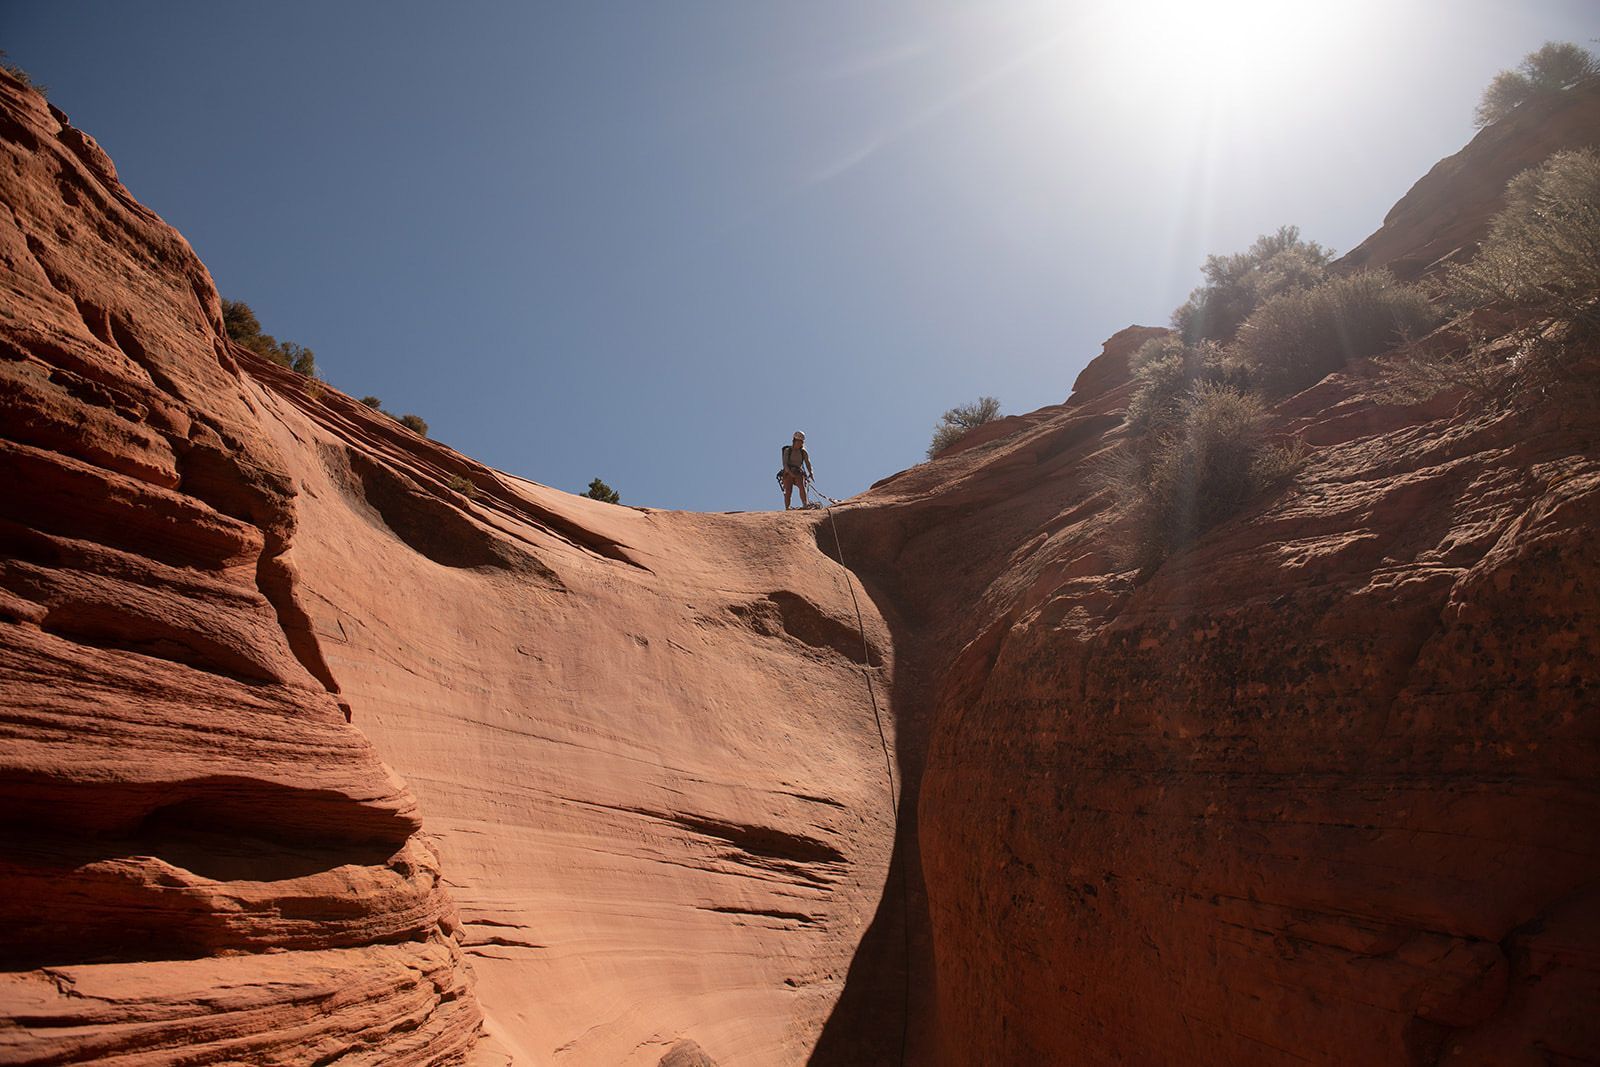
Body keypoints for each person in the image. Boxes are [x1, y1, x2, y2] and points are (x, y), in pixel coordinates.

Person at [780, 430, 813, 510]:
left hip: (798, 472)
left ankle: (805, 504)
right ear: (795, 441)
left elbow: (808, 463)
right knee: (788, 490)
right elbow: (785, 464)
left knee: (802, 486)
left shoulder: (803, 452)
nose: (801, 443)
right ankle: (787, 507)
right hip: (788, 472)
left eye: (802, 442)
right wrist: (790, 473)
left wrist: (811, 472)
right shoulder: (788, 451)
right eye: (799, 441)